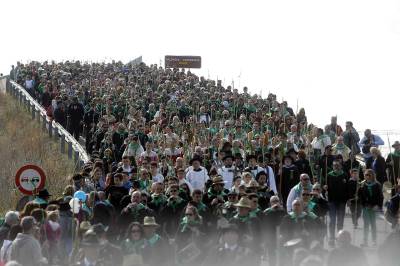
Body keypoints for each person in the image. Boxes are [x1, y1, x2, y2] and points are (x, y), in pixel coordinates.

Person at [326, 159, 348, 247]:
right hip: (332, 201)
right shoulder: (329, 175)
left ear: (341, 166)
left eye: (338, 165)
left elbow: (347, 188)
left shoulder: (345, 175)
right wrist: (325, 188)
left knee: (340, 220)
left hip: (342, 201)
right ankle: (331, 238)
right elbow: (325, 186)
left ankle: (340, 237)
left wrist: (348, 199)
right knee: (332, 220)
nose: (336, 167)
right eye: (334, 165)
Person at [358, 169, 383, 247]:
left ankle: (374, 241)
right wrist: (364, 205)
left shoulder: (377, 184)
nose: (367, 176)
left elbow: (380, 197)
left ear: (372, 175)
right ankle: (365, 241)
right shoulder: (362, 184)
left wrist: (378, 206)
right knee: (366, 225)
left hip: (374, 207)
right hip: (366, 208)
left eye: (369, 175)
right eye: (366, 175)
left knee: (373, 224)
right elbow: (360, 196)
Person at [263, 196, 286, 266]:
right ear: (270, 203)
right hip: (271, 236)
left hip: (280, 235)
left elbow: (286, 221)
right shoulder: (267, 211)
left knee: (281, 255)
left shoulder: (283, 211)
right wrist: (272, 210)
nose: (275, 203)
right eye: (273, 201)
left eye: (277, 201)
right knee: (271, 254)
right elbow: (263, 221)